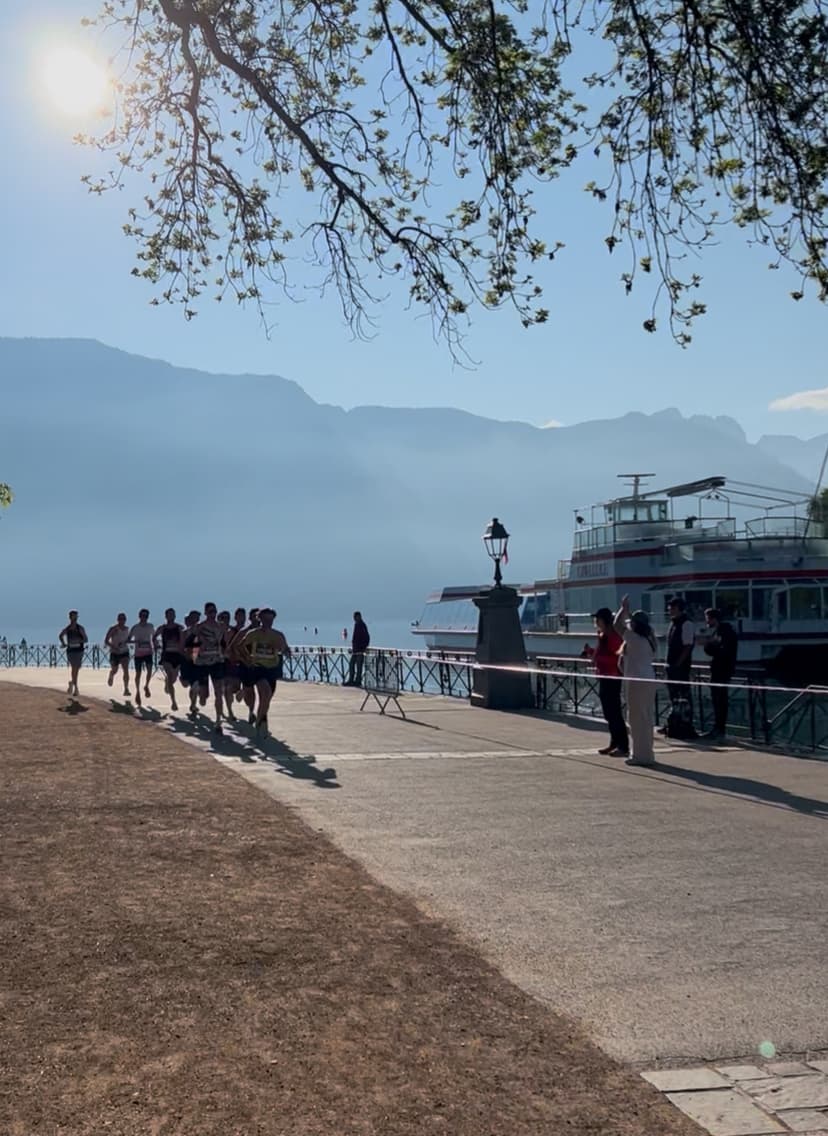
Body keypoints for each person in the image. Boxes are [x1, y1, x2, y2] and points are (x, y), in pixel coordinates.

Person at [614, 595, 657, 766]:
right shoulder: (649, 639)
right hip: (649, 679)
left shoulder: (633, 638)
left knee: (635, 718)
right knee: (647, 717)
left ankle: (639, 755)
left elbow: (617, 625)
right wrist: (629, 614)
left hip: (636, 681)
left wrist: (623, 610)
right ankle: (648, 753)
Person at [235, 607, 291, 735]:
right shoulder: (253, 634)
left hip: (272, 669)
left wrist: (286, 651)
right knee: (264, 693)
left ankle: (261, 718)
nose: (268, 622)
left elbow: (285, 649)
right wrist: (246, 658)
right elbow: (239, 646)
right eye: (265, 619)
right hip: (258, 667)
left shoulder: (278, 635)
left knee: (267, 698)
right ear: (260, 619)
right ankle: (261, 721)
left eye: (270, 619)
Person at [583, 606, 628, 757]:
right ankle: (614, 743)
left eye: (597, 618)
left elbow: (617, 656)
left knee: (614, 712)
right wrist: (590, 652)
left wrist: (598, 658)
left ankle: (623, 746)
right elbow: (600, 653)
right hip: (604, 676)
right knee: (609, 713)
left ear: (604, 620)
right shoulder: (602, 635)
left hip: (612, 677)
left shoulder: (612, 636)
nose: (595, 621)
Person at [188, 602, 227, 733]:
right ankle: (196, 698)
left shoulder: (221, 627)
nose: (212, 614)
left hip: (217, 661)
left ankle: (218, 721)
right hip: (202, 662)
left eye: (214, 612)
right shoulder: (199, 627)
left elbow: (224, 643)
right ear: (205, 613)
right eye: (210, 612)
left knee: (219, 692)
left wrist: (225, 653)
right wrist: (194, 656)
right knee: (204, 697)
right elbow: (191, 643)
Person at [701, 608, 739, 739]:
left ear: (713, 619)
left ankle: (720, 729)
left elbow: (724, 651)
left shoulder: (725, 633)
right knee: (717, 699)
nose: (706, 621)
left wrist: (709, 646)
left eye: (708, 618)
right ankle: (717, 727)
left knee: (720, 699)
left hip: (722, 669)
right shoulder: (720, 631)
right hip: (719, 668)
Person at [660, 596, 696, 730]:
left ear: (680, 609)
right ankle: (673, 722)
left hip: (680, 667)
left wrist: (678, 664)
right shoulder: (673, 623)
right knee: (673, 696)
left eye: (673, 608)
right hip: (671, 665)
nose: (670, 611)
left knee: (683, 696)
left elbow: (688, 646)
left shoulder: (686, 624)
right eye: (670, 608)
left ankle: (685, 723)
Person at [154, 608, 186, 712]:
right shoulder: (162, 628)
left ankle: (167, 682)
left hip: (177, 655)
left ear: (175, 616)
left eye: (172, 614)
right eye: (169, 614)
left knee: (173, 679)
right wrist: (156, 644)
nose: (171, 616)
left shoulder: (179, 628)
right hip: (167, 655)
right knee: (170, 675)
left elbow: (183, 640)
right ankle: (173, 702)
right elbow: (154, 637)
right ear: (166, 616)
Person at [222, 607, 247, 721]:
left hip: (245, 662)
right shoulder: (230, 632)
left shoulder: (249, 631)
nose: (242, 618)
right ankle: (230, 711)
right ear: (236, 617)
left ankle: (240, 695)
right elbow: (227, 648)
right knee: (229, 688)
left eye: (243, 616)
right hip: (231, 663)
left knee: (242, 688)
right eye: (239, 616)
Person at [129, 609, 155, 707]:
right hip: (138, 654)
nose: (144, 617)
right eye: (142, 615)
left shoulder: (150, 626)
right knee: (138, 674)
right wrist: (136, 642)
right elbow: (128, 639)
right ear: (139, 616)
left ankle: (146, 686)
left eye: (146, 616)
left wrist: (156, 645)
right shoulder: (135, 627)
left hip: (148, 652)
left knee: (149, 671)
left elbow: (154, 637)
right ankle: (137, 692)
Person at [59, 610, 88, 698]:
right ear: (70, 617)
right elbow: (60, 635)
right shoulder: (67, 628)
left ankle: (72, 683)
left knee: (76, 668)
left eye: (76, 617)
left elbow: (86, 639)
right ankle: (76, 688)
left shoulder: (80, 628)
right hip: (71, 651)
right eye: (73, 616)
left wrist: (79, 641)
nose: (74, 618)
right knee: (74, 668)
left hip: (79, 650)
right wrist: (63, 643)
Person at [104, 612, 131, 697]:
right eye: (120, 619)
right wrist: (114, 647)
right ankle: (111, 675)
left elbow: (128, 640)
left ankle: (126, 689)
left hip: (124, 652)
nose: (122, 621)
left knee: (125, 670)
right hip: (115, 652)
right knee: (115, 670)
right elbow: (106, 640)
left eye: (123, 619)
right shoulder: (113, 629)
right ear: (117, 620)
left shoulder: (127, 629)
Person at [344, 610, 370, 686]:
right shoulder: (357, 624)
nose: (354, 618)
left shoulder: (362, 625)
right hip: (355, 649)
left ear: (359, 617)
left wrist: (364, 647)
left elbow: (367, 637)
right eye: (354, 617)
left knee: (358, 666)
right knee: (351, 664)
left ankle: (357, 681)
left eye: (355, 617)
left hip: (360, 650)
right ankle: (351, 680)